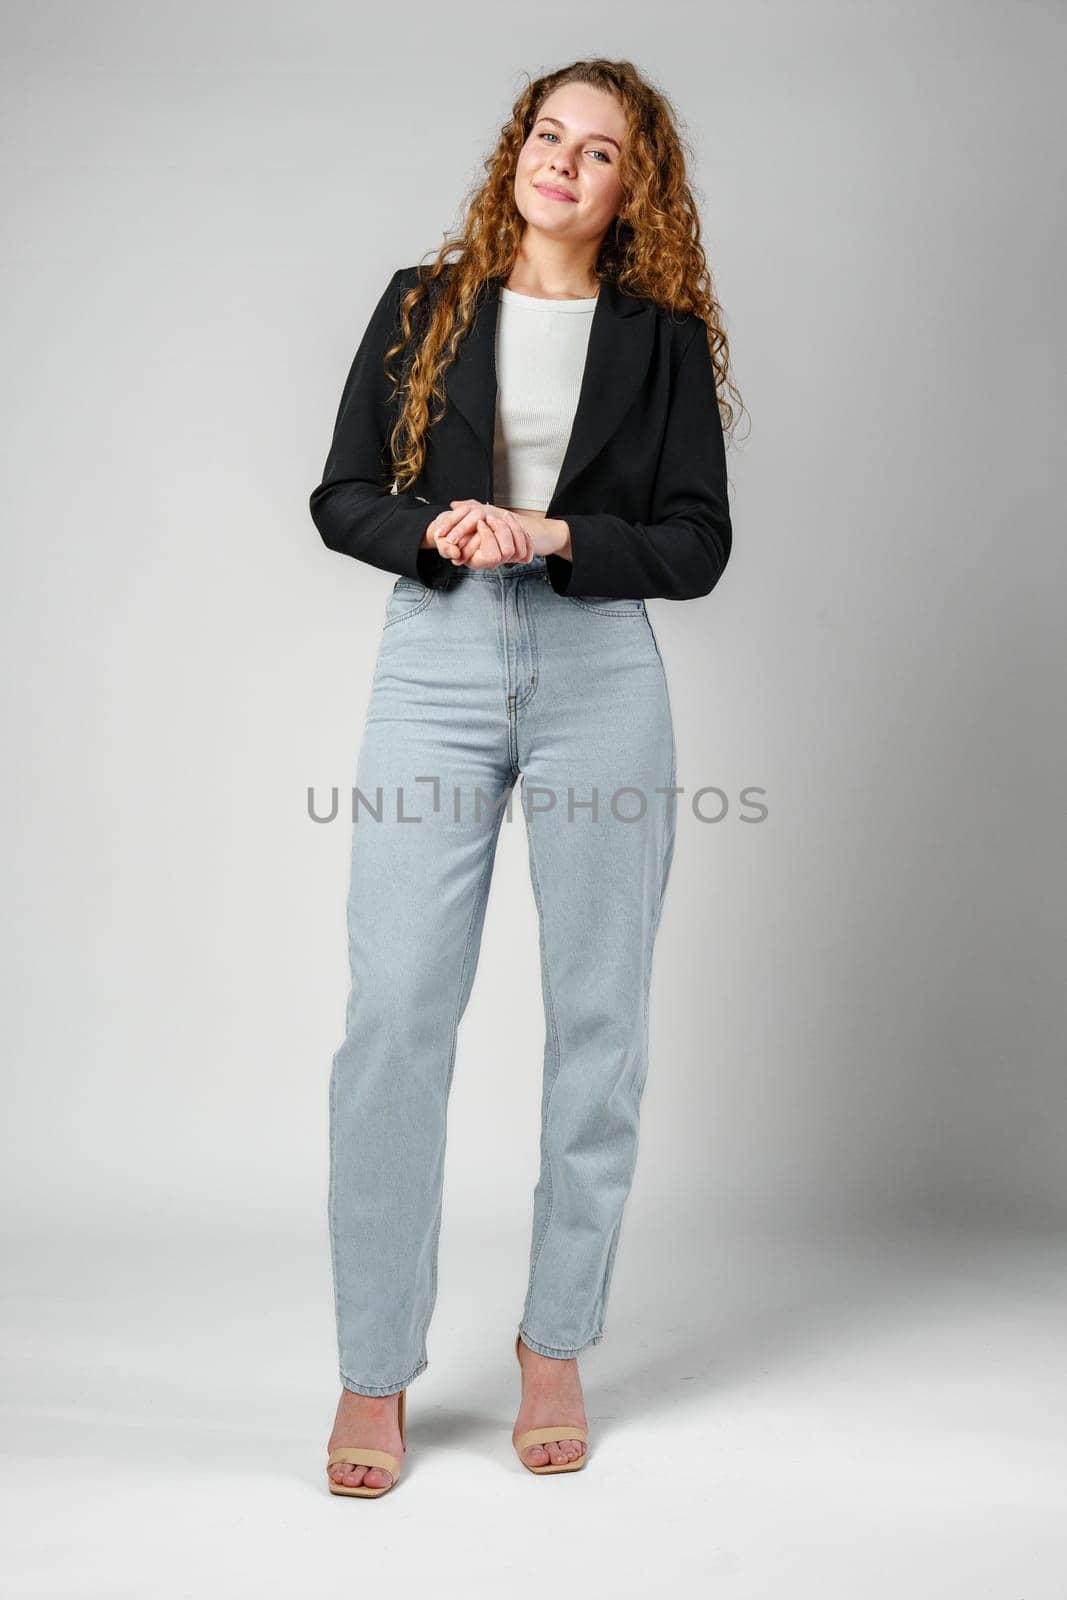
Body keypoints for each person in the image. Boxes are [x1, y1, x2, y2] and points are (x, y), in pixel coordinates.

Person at [310, 57, 739, 1495]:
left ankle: (555, 1344)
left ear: (634, 191)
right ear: (518, 150)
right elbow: (343, 494)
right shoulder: (422, 302)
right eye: (547, 133)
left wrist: (553, 539)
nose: (561, 161)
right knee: (394, 1016)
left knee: (598, 1020)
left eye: (597, 150)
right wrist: (440, 534)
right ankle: (374, 1369)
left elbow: (694, 543)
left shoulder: (660, 336)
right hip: (433, 668)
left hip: (599, 673)